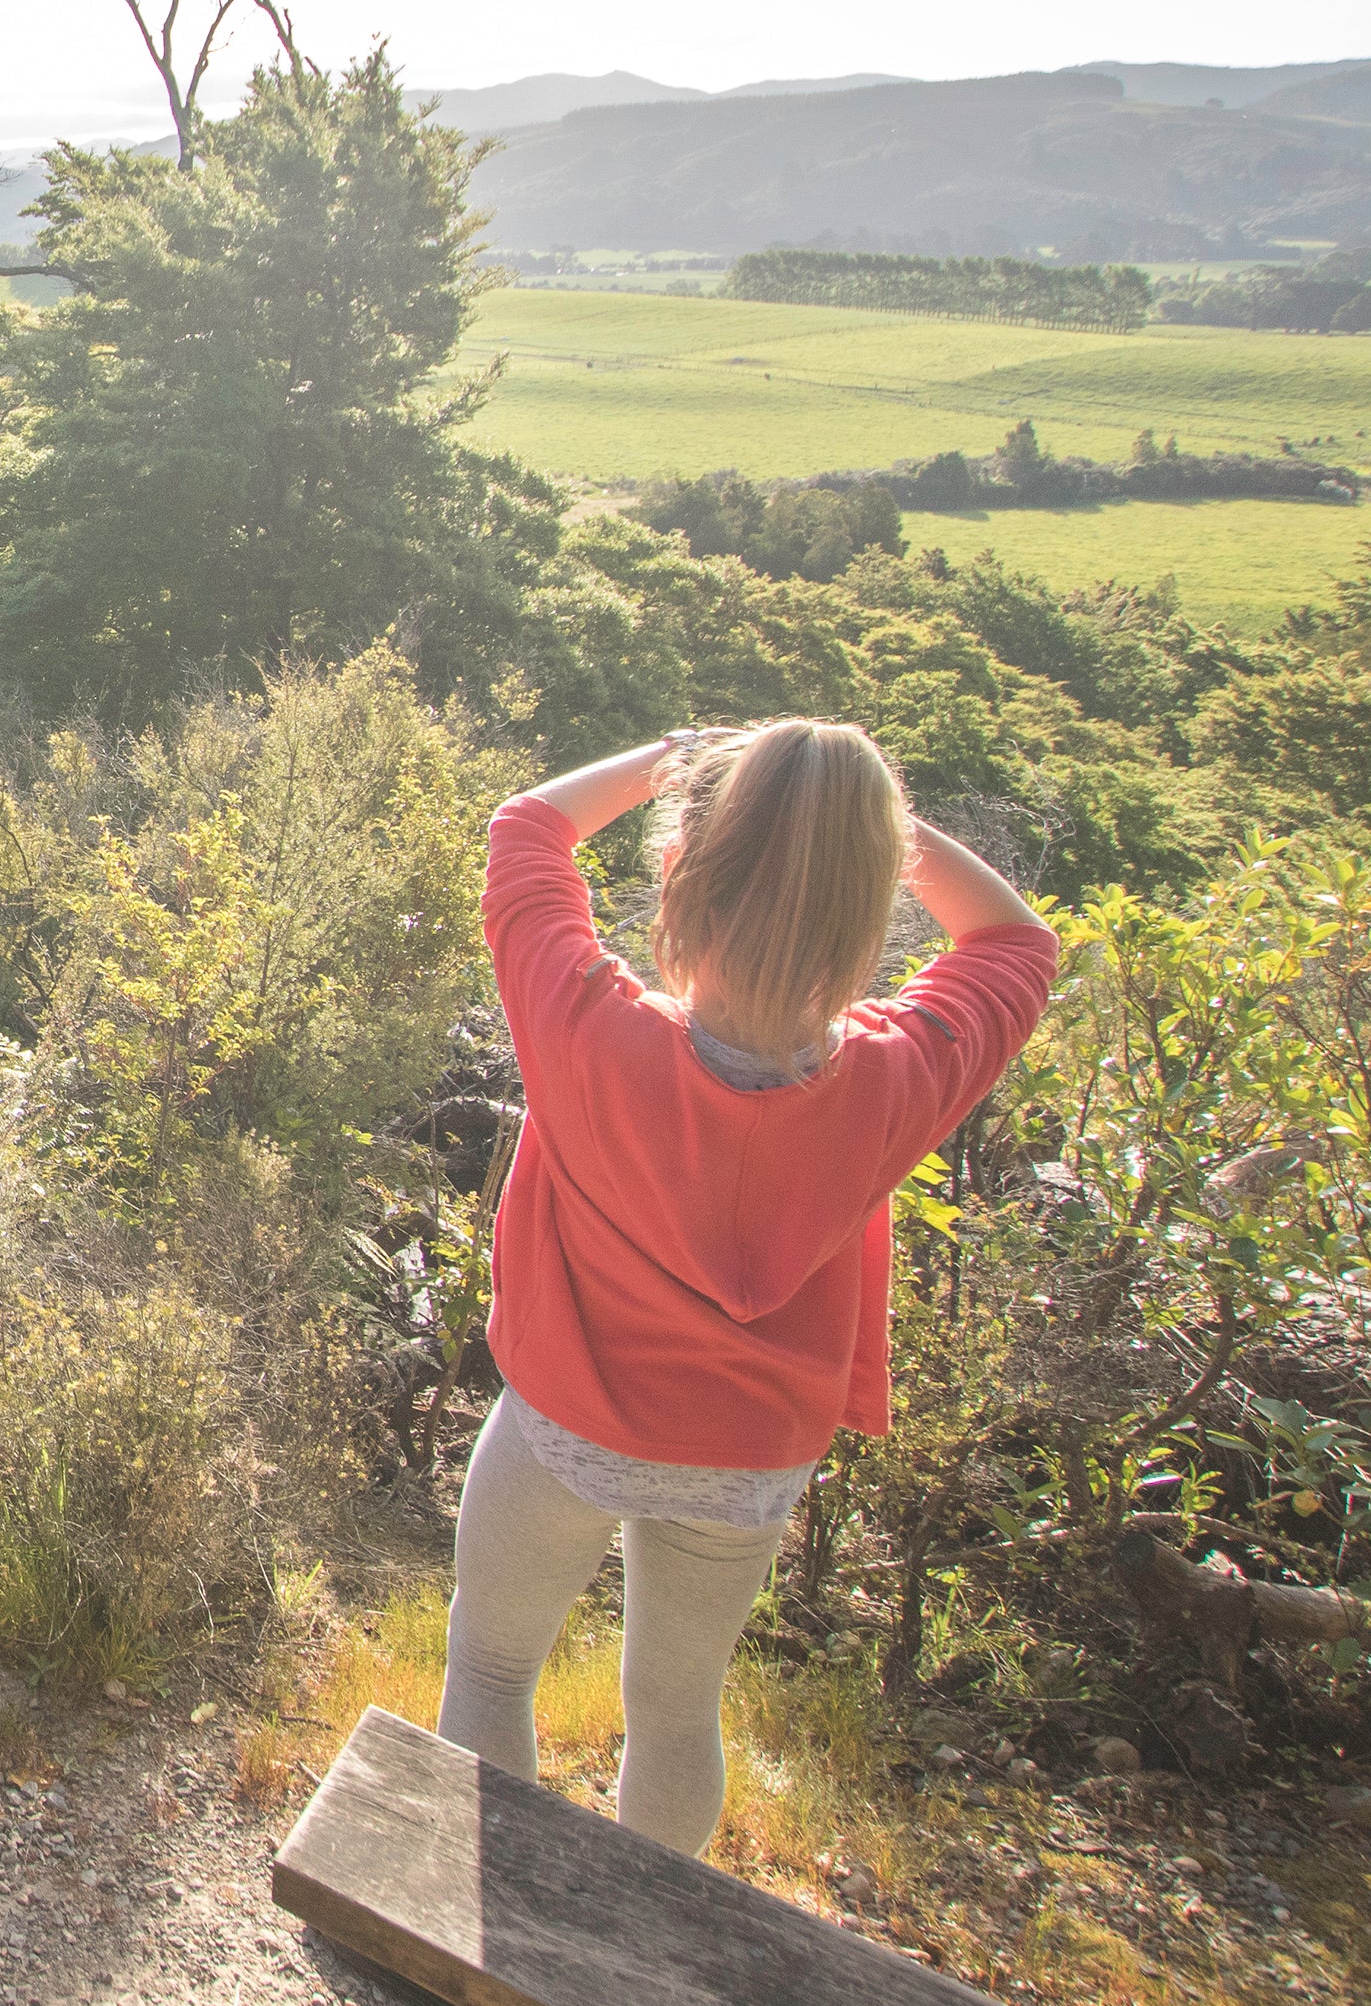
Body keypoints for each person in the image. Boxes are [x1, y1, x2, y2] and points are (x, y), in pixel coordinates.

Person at [440, 719, 1058, 1854]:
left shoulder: (588, 1033)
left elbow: (526, 829)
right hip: (748, 1462)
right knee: (674, 1715)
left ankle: (478, 1964)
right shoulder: (891, 1081)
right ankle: (628, 1999)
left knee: (488, 1663)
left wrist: (668, 754)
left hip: (569, 1425)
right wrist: (852, 831)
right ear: (865, 910)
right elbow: (1015, 946)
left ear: (680, 874)